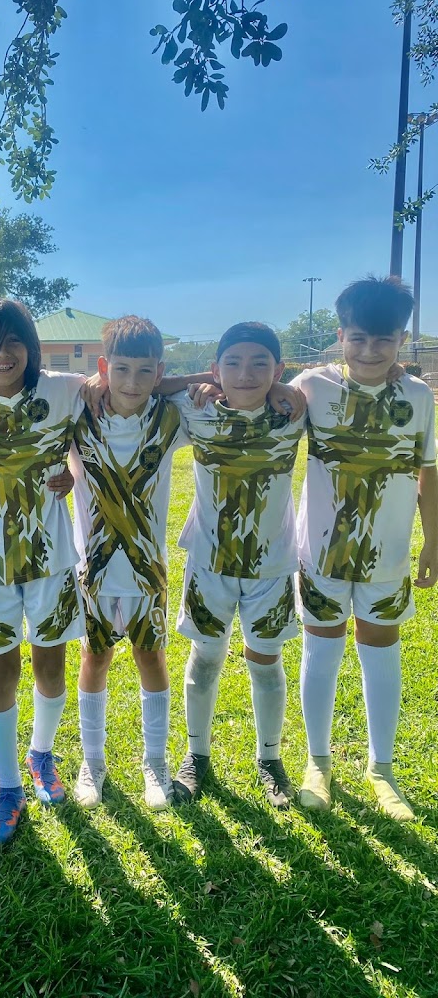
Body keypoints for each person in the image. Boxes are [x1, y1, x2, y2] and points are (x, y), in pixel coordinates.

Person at [294, 276, 438, 821]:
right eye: (358, 338)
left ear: (402, 339)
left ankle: (382, 769)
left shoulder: (417, 396)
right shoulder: (312, 385)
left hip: (388, 553)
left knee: (381, 649)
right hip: (322, 554)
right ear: (340, 337)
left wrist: (433, 541)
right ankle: (318, 762)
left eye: (384, 340)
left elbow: (427, 472)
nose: (371, 351)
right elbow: (254, 394)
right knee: (321, 650)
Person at [0, 298, 84, 844]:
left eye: (12, 342)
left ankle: (41, 754)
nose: (1, 354)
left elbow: (135, 382)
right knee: (1, 673)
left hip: (51, 562)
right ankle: (8, 788)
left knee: (51, 667)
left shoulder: (65, 391)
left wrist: (210, 381)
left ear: (31, 346)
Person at [173, 322, 304, 809]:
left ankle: (270, 759)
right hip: (210, 561)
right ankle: (197, 756)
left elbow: (339, 379)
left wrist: (290, 390)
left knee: (265, 659)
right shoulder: (196, 409)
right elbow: (144, 384)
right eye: (233, 363)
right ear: (215, 368)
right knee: (206, 656)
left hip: (272, 565)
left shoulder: (294, 413)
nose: (245, 374)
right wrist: (198, 381)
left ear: (279, 369)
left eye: (259, 364)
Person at [70, 316, 191, 810]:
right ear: (103, 368)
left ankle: (155, 762)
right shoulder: (77, 414)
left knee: (150, 658)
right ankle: (92, 762)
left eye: (145, 371)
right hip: (93, 570)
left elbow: (229, 387)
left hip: (147, 571)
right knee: (94, 658)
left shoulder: (172, 417)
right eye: (121, 369)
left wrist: (199, 381)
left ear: (160, 372)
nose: (132, 382)